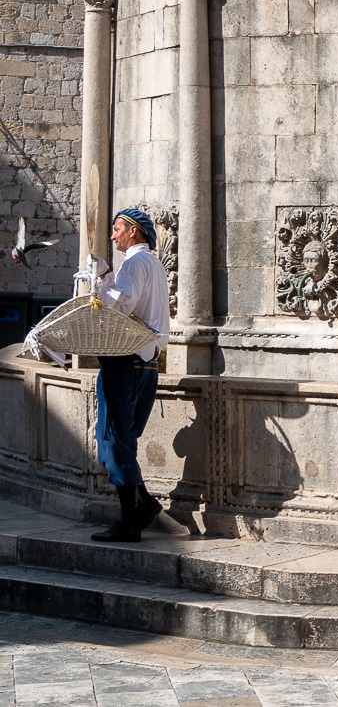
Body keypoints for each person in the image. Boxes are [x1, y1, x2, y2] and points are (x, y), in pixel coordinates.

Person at [89, 208, 170, 542]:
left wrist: (101, 280)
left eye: (117, 229)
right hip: (146, 362)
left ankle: (129, 522)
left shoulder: (135, 264)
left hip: (126, 361)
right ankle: (144, 503)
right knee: (122, 440)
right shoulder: (155, 265)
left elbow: (121, 304)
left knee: (114, 439)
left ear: (133, 232)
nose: (113, 235)